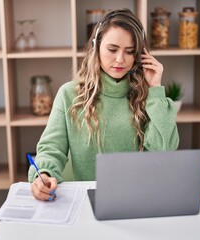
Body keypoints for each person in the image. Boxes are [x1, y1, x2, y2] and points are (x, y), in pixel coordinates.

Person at [28, 8, 179, 201]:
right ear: (96, 46)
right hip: (84, 202)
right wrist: (45, 174)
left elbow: (163, 153)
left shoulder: (146, 97)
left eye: (130, 52)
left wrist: (155, 89)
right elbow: (51, 148)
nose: (120, 60)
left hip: (134, 199)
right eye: (112, 49)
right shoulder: (69, 94)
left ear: (139, 56)